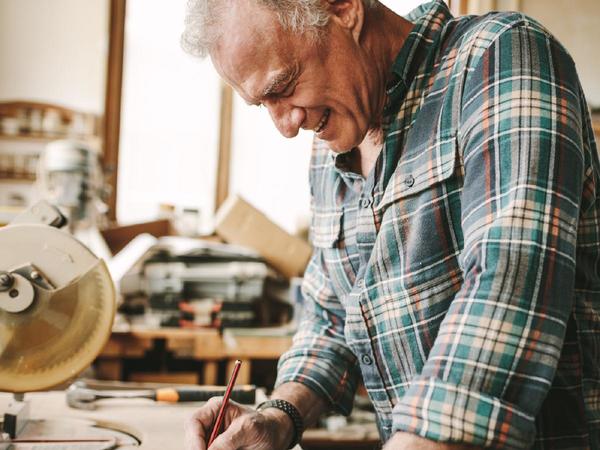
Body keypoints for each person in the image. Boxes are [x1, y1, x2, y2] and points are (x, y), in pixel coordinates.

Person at [181, 0, 600, 448]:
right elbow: (331, 315)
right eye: (262, 103)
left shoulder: (500, 56)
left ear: (343, 9)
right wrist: (279, 415)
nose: (285, 125)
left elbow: (511, 277)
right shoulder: (332, 144)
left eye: (283, 86)